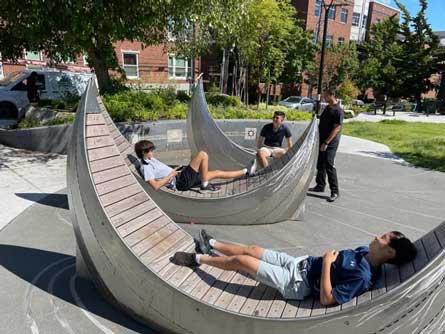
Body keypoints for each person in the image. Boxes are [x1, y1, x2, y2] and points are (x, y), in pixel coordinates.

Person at [172, 229, 417, 305]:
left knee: (243, 262)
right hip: (300, 264)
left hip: (297, 284)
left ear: (390, 252)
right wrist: (324, 263)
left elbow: (327, 298)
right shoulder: (365, 251)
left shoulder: (363, 278)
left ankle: (197, 260)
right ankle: (211, 244)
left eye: (383, 238)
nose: (377, 237)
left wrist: (328, 265)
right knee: (253, 249)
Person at [135, 140, 250, 193]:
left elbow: (162, 171)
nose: (152, 152)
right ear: (143, 152)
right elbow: (155, 186)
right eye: (150, 150)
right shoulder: (146, 168)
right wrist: (172, 174)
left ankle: (246, 172)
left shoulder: (150, 159)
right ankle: (204, 185)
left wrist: (175, 169)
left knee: (216, 173)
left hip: (180, 175)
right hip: (180, 182)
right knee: (202, 155)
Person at [309, 89, 344, 202]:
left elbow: (337, 128)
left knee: (329, 164)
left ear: (332, 95)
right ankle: (320, 185)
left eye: (325, 95)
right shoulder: (328, 108)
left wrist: (326, 143)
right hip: (322, 139)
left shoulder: (338, 110)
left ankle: (335, 191)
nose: (324, 97)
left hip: (330, 142)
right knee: (320, 163)